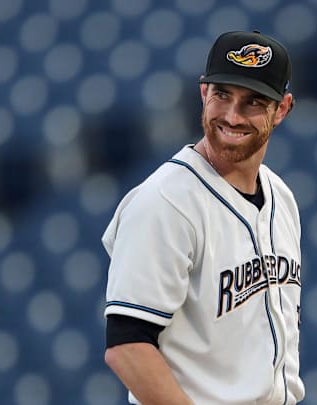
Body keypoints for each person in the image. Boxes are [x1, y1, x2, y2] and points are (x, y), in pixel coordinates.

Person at [101, 30, 304, 405]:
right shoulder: (164, 202)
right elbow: (127, 347)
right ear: (203, 93)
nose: (231, 115)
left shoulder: (282, 197)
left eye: (253, 102)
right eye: (222, 95)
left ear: (283, 109)